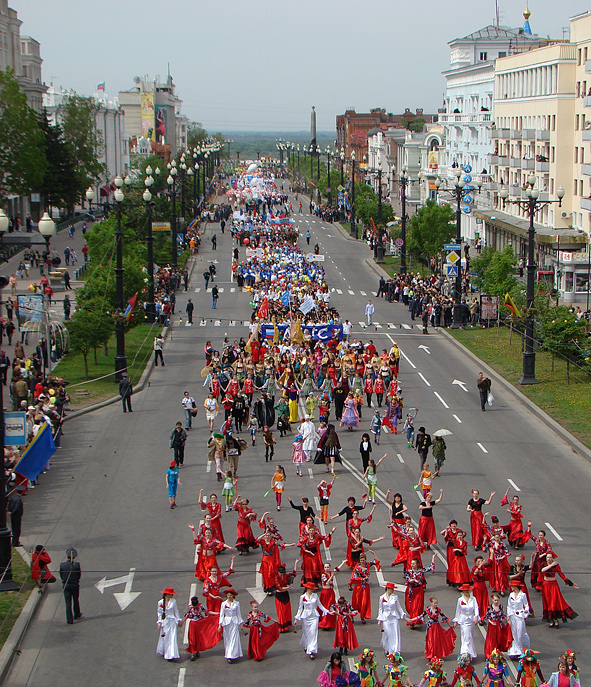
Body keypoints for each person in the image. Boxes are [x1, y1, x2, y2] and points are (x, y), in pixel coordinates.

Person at [294, 582, 331, 660]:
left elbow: (320, 605)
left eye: (313, 589)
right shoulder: (302, 597)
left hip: (314, 616)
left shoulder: (315, 596)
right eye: (311, 589)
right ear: (307, 588)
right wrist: (296, 619)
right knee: (307, 633)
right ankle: (306, 644)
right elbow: (300, 608)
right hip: (305, 617)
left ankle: (311, 651)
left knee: (313, 633)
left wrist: (327, 611)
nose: (312, 591)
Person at [182, 596, 221, 661]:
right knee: (192, 638)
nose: (195, 607)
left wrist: (216, 614)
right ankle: (192, 653)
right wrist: (182, 622)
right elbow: (187, 615)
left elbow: (207, 612)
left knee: (199, 638)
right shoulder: (190, 607)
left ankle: (197, 650)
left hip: (200, 624)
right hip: (193, 624)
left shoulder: (200, 606)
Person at [377, 582, 406, 655]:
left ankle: (395, 650)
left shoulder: (395, 597)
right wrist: (380, 620)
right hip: (386, 618)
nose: (392, 591)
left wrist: (403, 615)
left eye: (393, 589)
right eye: (391, 589)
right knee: (387, 633)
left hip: (394, 617)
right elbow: (380, 609)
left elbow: (399, 607)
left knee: (395, 633)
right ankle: (388, 648)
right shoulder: (382, 597)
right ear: (387, 589)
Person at [453, 584, 480, 659]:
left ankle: (471, 653)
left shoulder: (473, 599)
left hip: (471, 619)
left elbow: (476, 608)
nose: (466, 592)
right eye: (465, 591)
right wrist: (456, 620)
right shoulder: (460, 600)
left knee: (470, 636)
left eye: (467, 590)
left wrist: (476, 616)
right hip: (463, 620)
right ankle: (465, 653)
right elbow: (458, 611)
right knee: (465, 636)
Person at [218, 589, 243, 663]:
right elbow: (221, 615)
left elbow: (239, 614)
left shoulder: (236, 603)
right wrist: (220, 625)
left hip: (234, 622)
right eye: (228, 595)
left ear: (233, 596)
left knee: (234, 638)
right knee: (228, 638)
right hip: (227, 623)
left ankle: (233, 655)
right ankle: (228, 654)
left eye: (230, 595)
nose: (229, 597)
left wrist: (241, 623)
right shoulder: (223, 604)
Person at [157, 587, 182, 660]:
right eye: (171, 594)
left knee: (172, 638)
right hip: (165, 622)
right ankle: (165, 651)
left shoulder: (173, 601)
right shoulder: (160, 602)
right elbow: (159, 613)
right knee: (165, 638)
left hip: (172, 622)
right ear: (167, 594)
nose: (172, 596)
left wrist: (178, 620)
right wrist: (159, 622)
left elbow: (176, 611)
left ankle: (170, 654)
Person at [506, 580, 530, 657]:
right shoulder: (511, 595)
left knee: (520, 632)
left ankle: (520, 648)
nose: (511, 587)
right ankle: (515, 649)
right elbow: (509, 606)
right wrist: (508, 616)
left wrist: (525, 613)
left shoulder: (522, 595)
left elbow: (526, 605)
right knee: (514, 632)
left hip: (519, 616)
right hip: (513, 616)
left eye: (512, 586)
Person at [59, 547, 82, 625]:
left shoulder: (62, 565)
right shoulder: (77, 565)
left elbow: (61, 575)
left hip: (66, 584)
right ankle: (77, 614)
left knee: (68, 602)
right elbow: (79, 575)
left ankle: (69, 619)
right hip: (74, 585)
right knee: (76, 599)